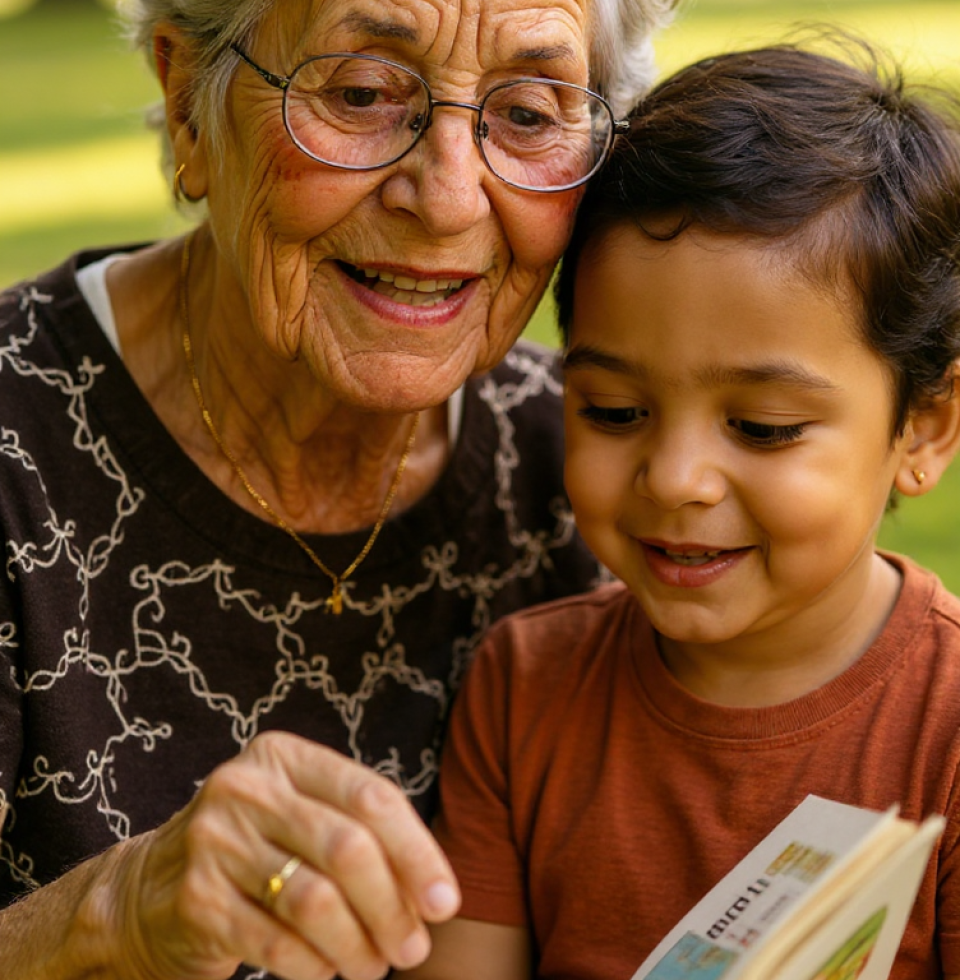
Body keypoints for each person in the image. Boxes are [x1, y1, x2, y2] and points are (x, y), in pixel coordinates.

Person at [0, 0, 676, 975]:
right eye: (361, 92)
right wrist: (114, 913)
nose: (447, 197)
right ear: (189, 103)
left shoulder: (597, 468)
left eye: (528, 113)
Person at [397, 36, 960, 980]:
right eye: (615, 412)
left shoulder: (940, 730)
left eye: (764, 425)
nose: (676, 478)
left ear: (925, 429)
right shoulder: (524, 690)